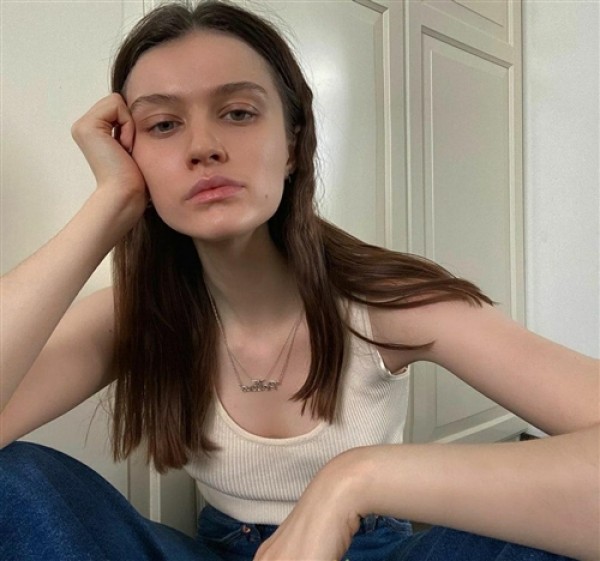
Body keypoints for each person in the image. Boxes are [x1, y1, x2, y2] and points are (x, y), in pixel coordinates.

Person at [0, 1, 598, 560]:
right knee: (13, 480)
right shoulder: (137, 313)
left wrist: (355, 480)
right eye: (163, 125)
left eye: (238, 113)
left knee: (546, 535)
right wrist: (111, 205)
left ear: (291, 142)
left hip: (369, 545)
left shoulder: (386, 302)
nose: (203, 146)